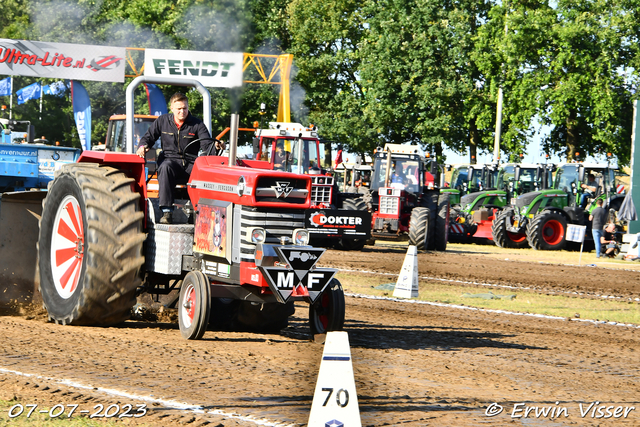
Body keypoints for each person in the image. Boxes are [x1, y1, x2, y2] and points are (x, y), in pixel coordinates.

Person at [136, 92, 217, 224]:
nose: (182, 111)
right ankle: (167, 212)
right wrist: (143, 146)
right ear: (172, 108)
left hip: (190, 162)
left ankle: (196, 212)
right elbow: (148, 137)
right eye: (179, 108)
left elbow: (207, 145)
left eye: (184, 108)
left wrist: (217, 147)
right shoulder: (162, 121)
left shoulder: (197, 124)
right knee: (165, 167)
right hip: (170, 160)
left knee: (202, 171)